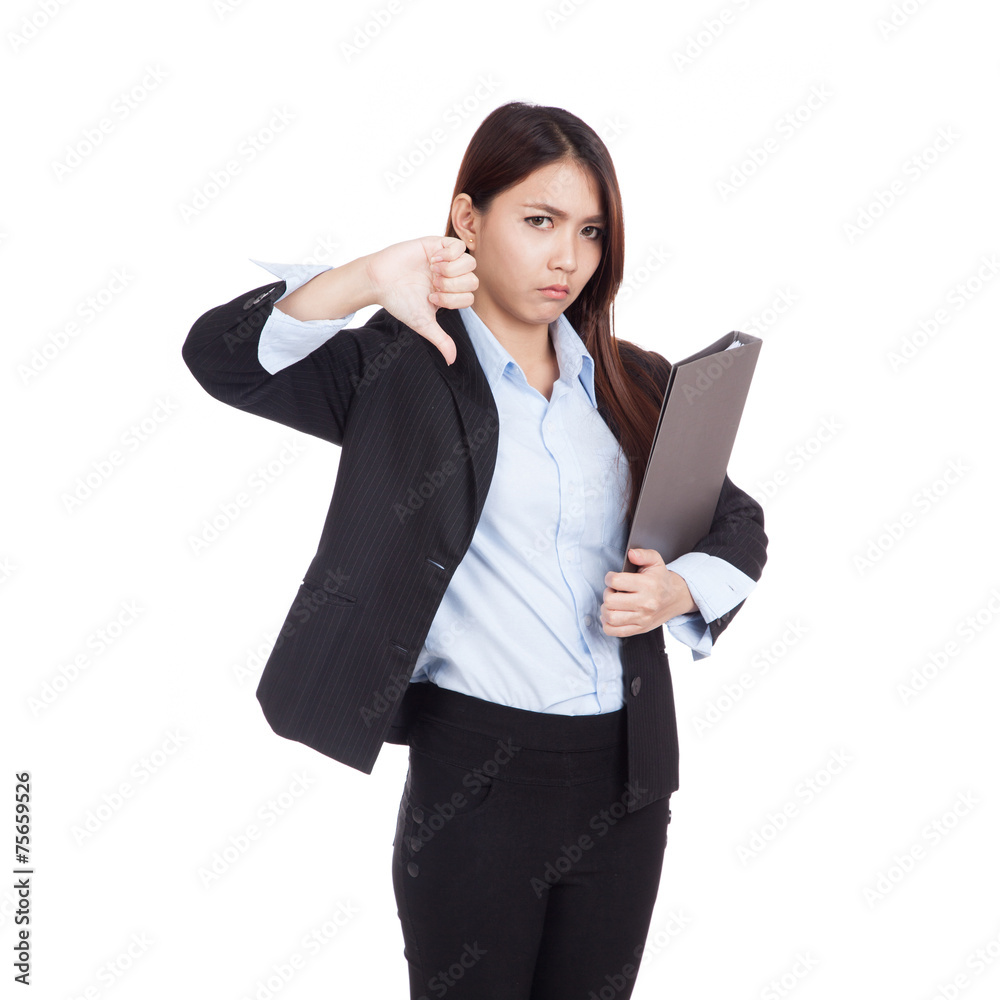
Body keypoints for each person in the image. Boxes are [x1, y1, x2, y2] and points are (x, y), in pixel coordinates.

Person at [182, 100, 767, 1000]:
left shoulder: (632, 379)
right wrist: (371, 276)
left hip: (629, 780)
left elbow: (738, 522)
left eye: (589, 231)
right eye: (539, 222)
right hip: (479, 780)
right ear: (467, 218)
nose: (566, 258)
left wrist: (677, 592)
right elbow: (225, 359)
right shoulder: (401, 368)